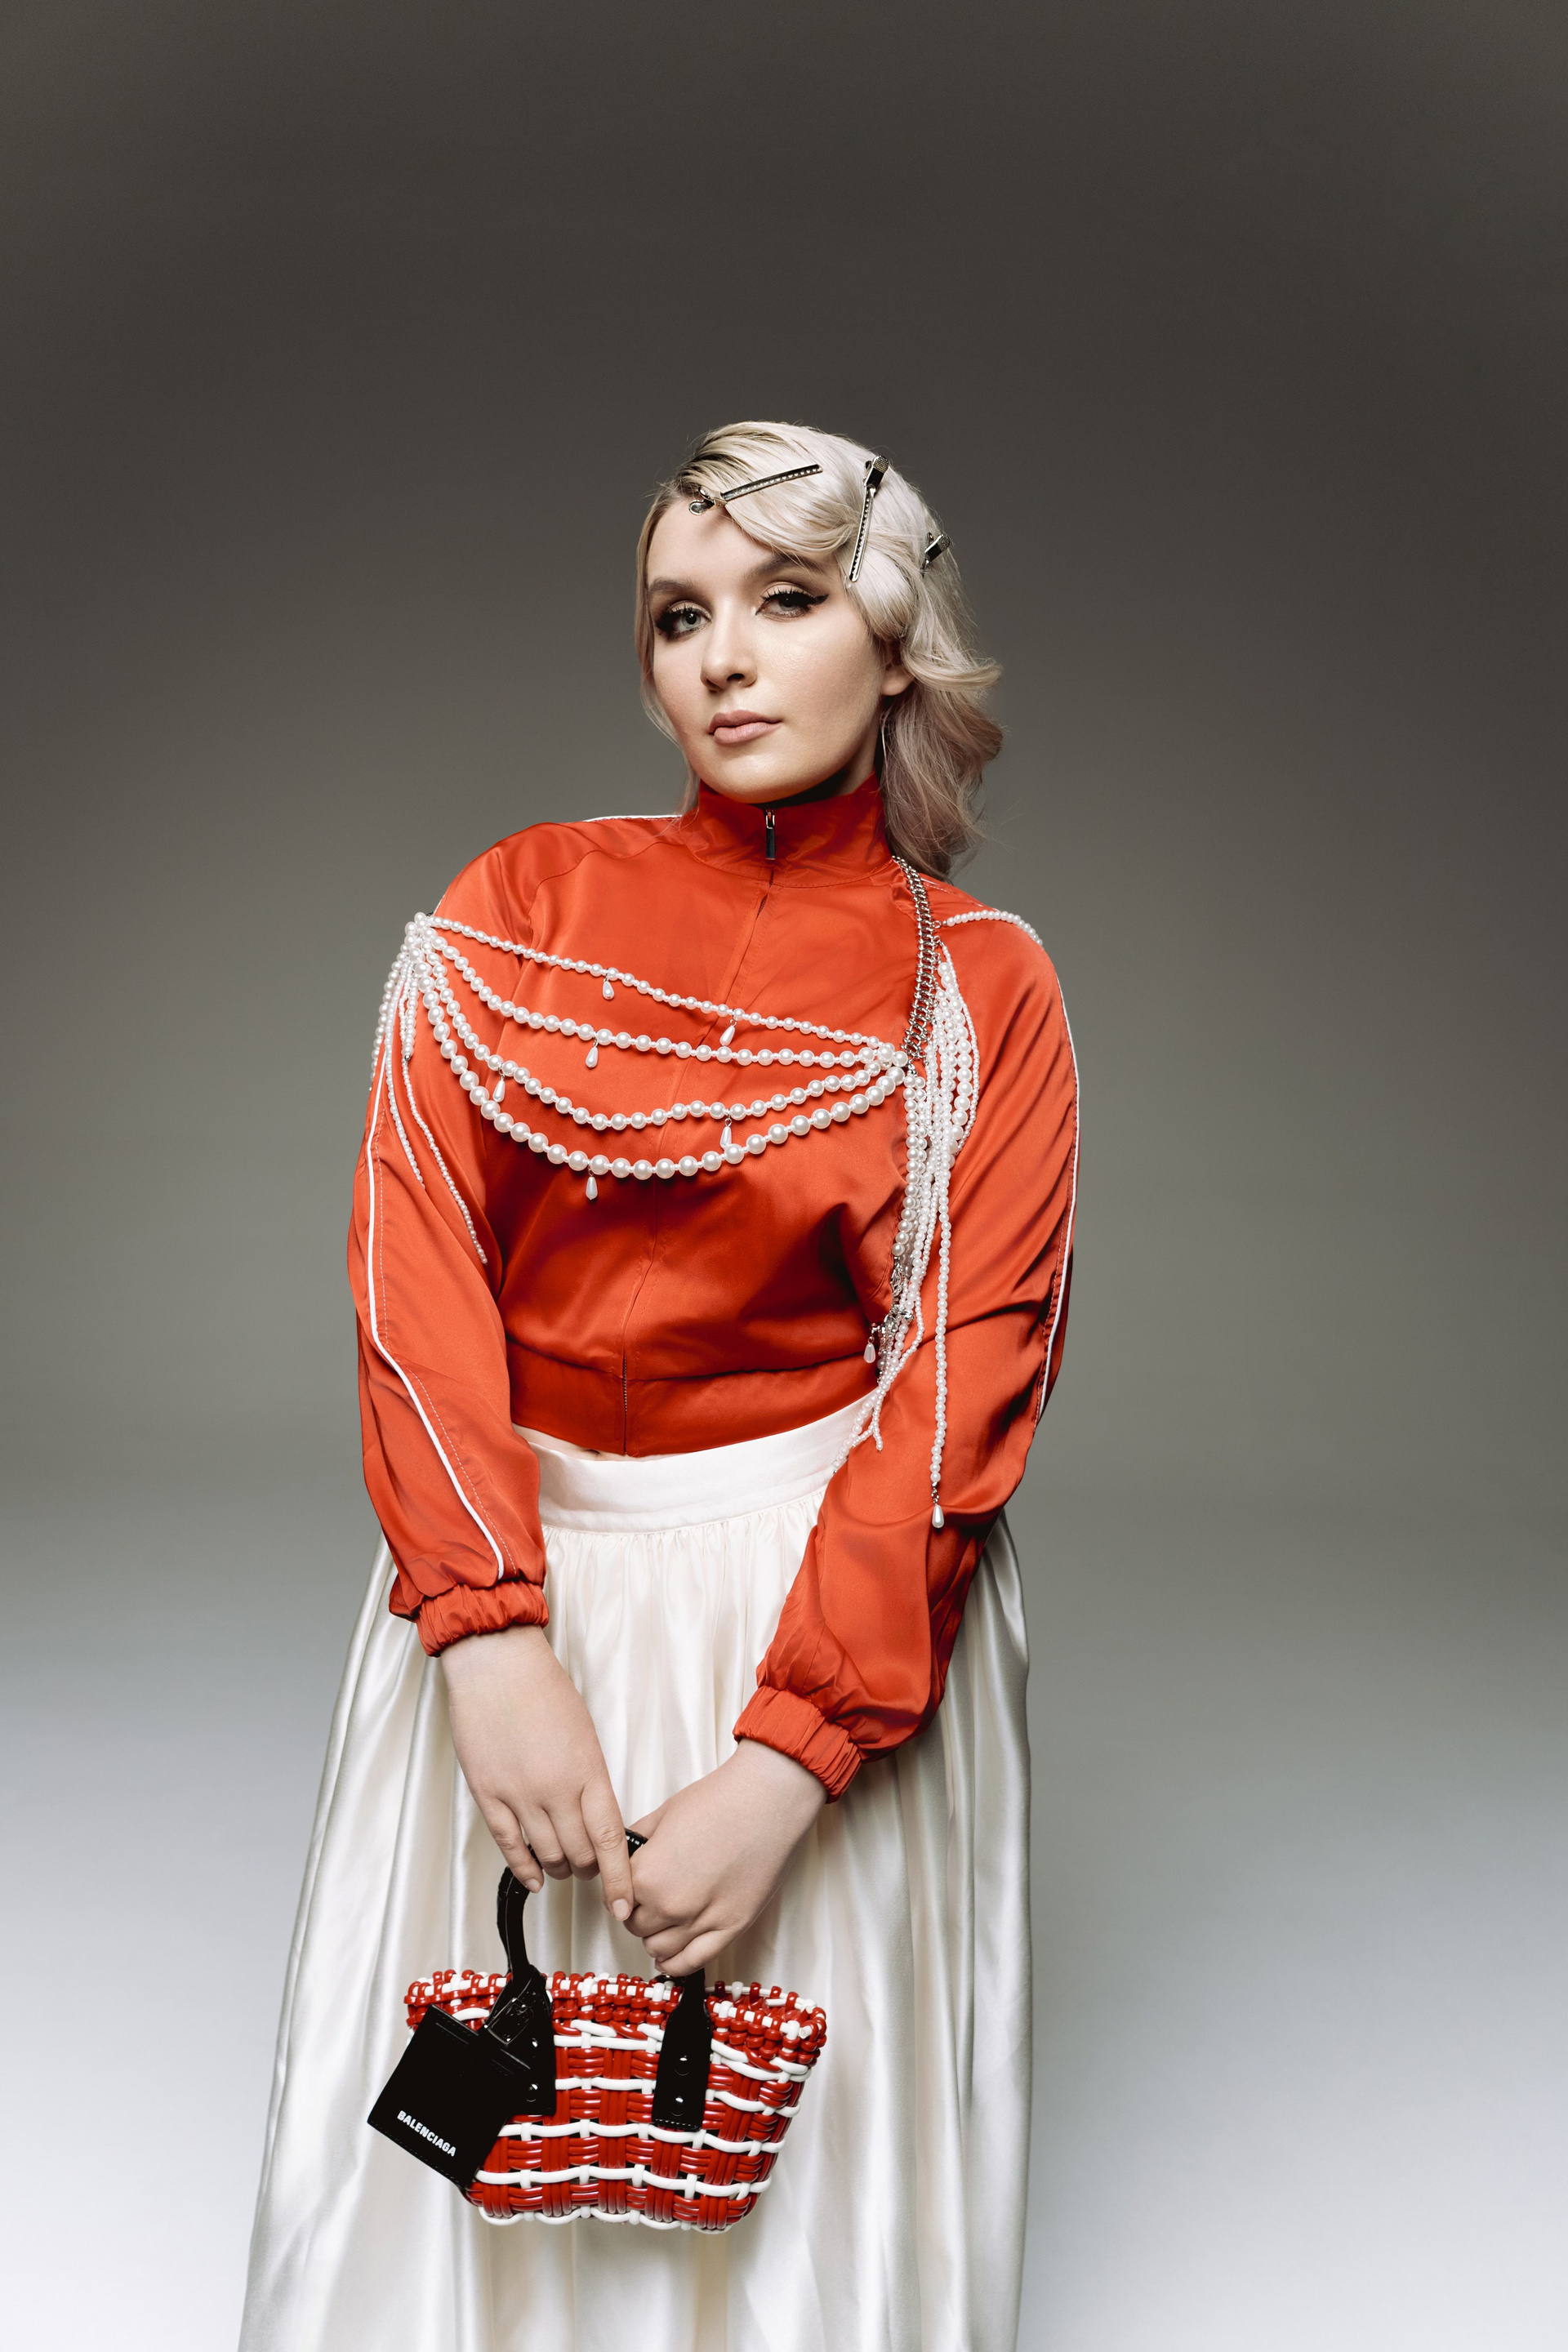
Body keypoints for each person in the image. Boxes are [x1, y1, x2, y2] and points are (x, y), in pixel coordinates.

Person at [240, 420, 1079, 2352]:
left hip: (821, 1601)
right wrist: (486, 1644)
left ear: (893, 641)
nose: (725, 659)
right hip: (516, 1585)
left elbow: (960, 1394)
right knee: (461, 2178)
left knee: (785, 2190)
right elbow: (413, 1282)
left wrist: (790, 1764)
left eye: (786, 602)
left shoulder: (980, 988)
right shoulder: (514, 906)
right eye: (679, 616)